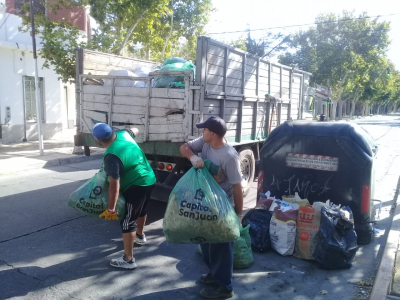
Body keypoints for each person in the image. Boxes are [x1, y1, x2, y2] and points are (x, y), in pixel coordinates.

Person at [180, 116, 243, 299]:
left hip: (222, 205)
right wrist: (192, 156)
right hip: (205, 202)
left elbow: (237, 187)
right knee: (206, 242)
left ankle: (224, 287)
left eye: (204, 130)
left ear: (213, 133)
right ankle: (214, 275)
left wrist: (238, 215)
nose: (202, 132)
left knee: (221, 246)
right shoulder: (205, 143)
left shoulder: (229, 156)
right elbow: (184, 147)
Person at [92, 123, 156, 270]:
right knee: (141, 209)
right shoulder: (123, 134)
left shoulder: (112, 156)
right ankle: (139, 236)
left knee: (128, 221)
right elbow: (136, 129)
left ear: (98, 140)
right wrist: (131, 132)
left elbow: (115, 185)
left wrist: (111, 209)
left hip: (136, 184)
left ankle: (128, 259)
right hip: (149, 177)